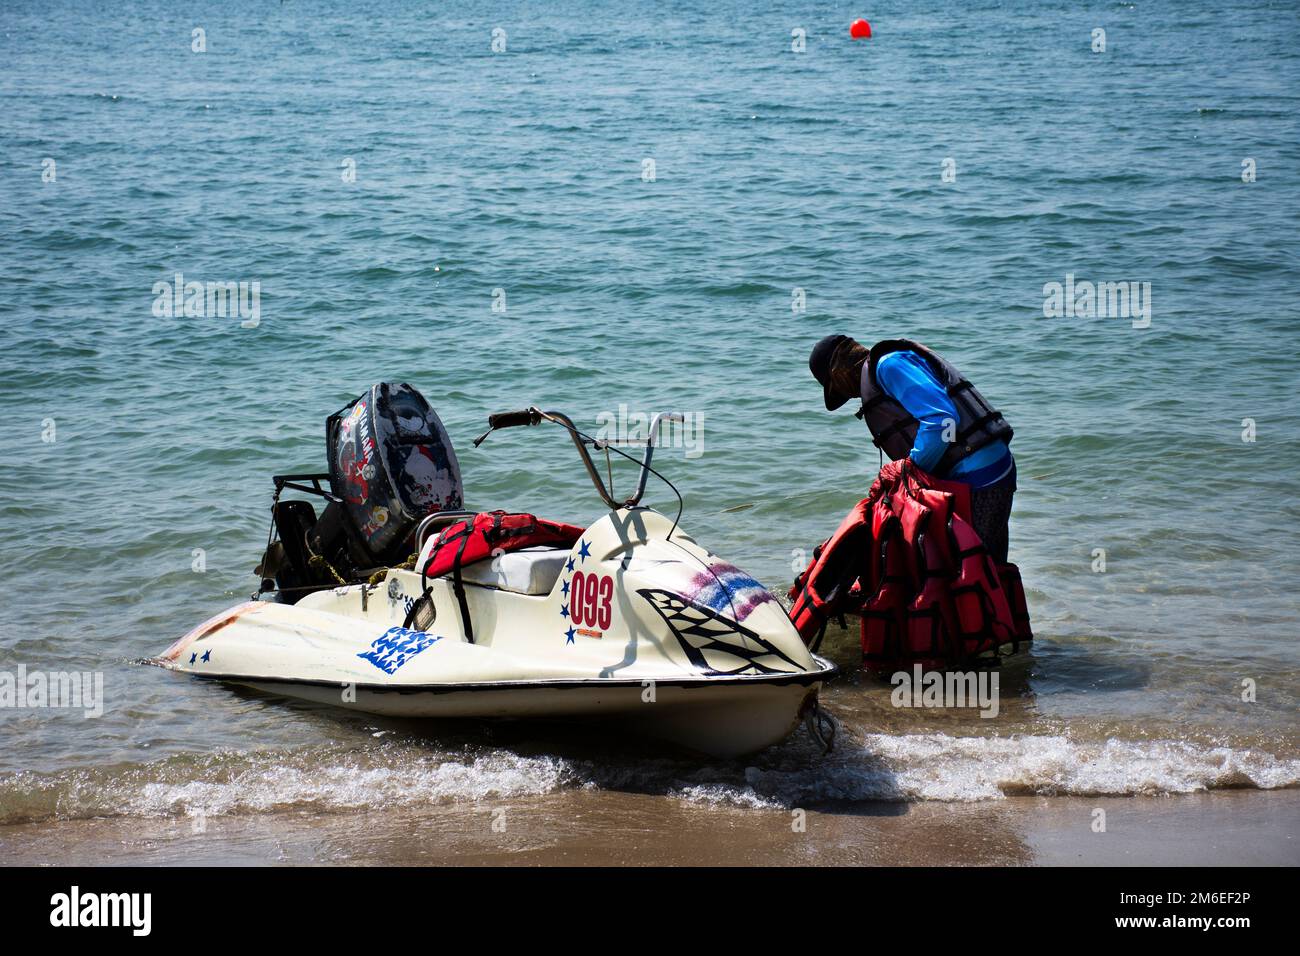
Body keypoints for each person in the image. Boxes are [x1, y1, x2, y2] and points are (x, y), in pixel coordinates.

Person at [808, 334, 1017, 563]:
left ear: (840, 371)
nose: (849, 396)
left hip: (980, 476)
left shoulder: (889, 366)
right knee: (987, 569)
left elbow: (942, 420)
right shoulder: (886, 368)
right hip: (985, 471)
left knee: (975, 571)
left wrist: (909, 470)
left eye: (838, 388)